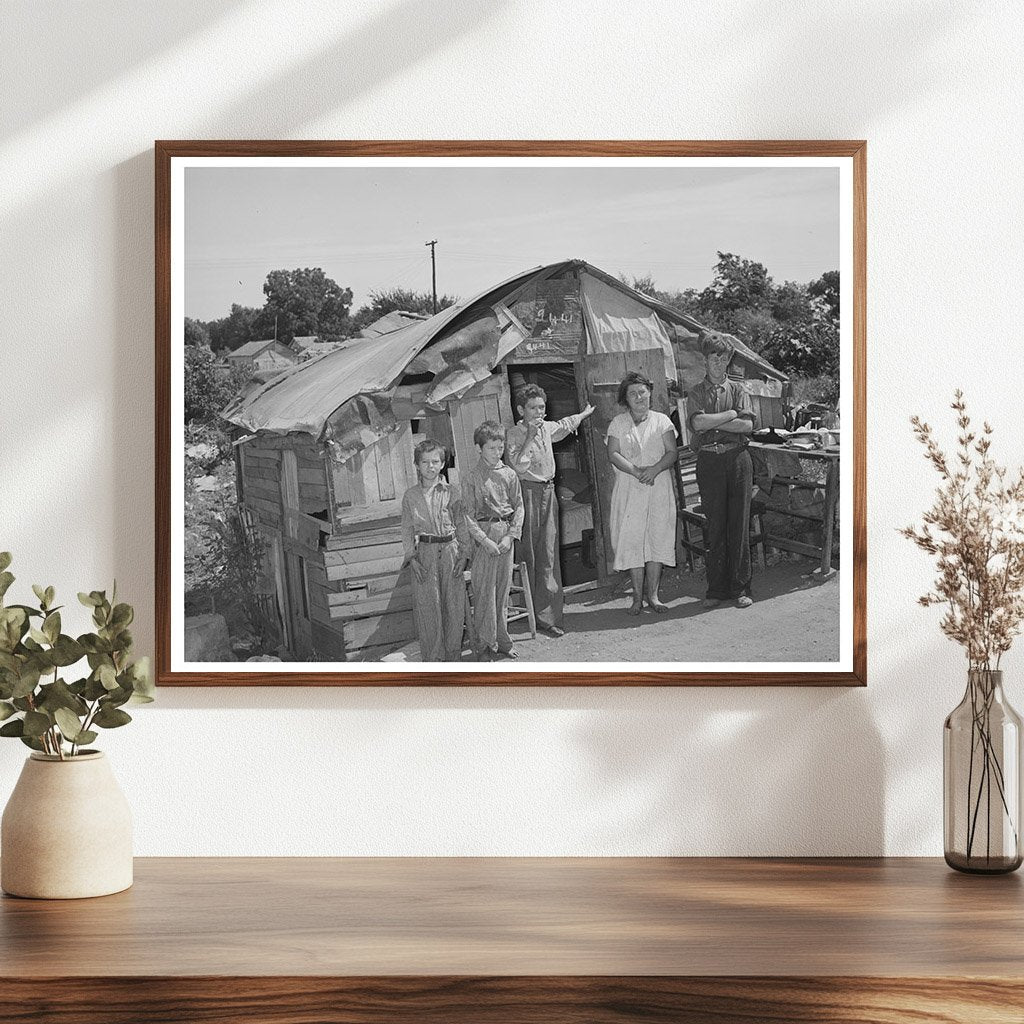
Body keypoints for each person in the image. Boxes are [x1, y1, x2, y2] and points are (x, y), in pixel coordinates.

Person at [505, 384, 595, 637]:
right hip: (527, 494)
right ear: (521, 409)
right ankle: (530, 613)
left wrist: (585, 414)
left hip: (548, 492)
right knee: (529, 554)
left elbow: (566, 424)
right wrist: (530, 437)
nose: (539, 413)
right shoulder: (514, 433)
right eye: (533, 408)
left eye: (542, 408)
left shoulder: (547, 428)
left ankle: (549, 617)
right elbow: (519, 466)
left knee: (548, 554)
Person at [685, 330, 758, 609]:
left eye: (723, 357)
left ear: (728, 360)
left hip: (738, 459)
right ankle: (716, 589)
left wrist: (713, 421)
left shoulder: (739, 390)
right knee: (715, 526)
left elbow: (747, 426)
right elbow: (696, 424)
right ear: (705, 360)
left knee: (738, 525)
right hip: (709, 462)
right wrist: (729, 415)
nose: (718, 362)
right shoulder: (696, 392)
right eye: (713, 357)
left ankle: (741, 588)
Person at [606, 371, 678, 615]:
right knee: (633, 540)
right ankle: (636, 598)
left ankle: (654, 596)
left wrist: (655, 470)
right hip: (629, 486)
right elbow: (613, 454)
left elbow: (671, 452)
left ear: (650, 393)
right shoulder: (618, 423)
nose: (638, 397)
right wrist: (637, 472)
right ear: (626, 398)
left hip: (658, 485)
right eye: (632, 393)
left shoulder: (662, 421)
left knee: (657, 536)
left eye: (642, 392)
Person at [400, 440, 470, 662]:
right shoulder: (410, 496)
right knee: (429, 607)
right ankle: (433, 659)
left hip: (450, 550)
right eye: (425, 462)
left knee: (454, 604)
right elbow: (407, 529)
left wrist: (464, 555)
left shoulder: (452, 491)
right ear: (417, 465)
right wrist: (412, 558)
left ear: (442, 464)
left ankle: (453, 655)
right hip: (425, 554)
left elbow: (461, 523)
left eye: (435, 462)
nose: (430, 466)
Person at [464, 421, 525, 661]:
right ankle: (483, 646)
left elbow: (519, 506)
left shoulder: (509, 474)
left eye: (500, 447)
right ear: (479, 448)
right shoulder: (471, 477)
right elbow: (467, 515)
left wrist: (511, 536)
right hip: (483, 537)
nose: (497, 452)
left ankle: (503, 641)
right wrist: (484, 540)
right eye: (491, 448)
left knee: (502, 591)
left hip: (505, 534)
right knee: (484, 593)